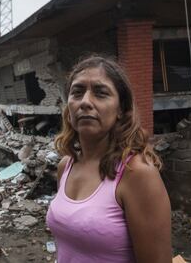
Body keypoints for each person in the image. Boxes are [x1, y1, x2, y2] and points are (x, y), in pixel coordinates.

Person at [46, 56, 172, 263]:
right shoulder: (66, 166)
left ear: (121, 109)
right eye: (77, 92)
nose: (85, 102)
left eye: (101, 93)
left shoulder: (137, 174)